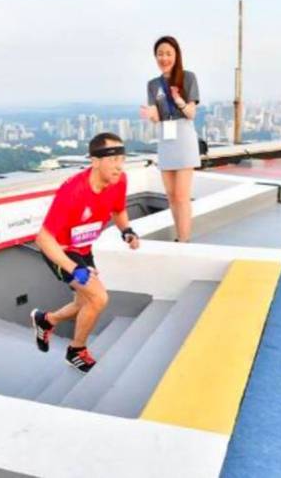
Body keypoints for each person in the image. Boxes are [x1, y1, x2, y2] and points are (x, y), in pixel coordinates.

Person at [31, 133, 140, 372]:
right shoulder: (72, 190)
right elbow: (43, 239)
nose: (119, 166)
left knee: (84, 304)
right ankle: (76, 350)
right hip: (60, 251)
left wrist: (126, 230)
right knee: (99, 298)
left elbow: (118, 210)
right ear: (95, 161)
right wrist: (75, 269)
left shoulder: (119, 180)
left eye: (122, 159)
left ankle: (46, 320)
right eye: (113, 159)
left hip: (83, 248)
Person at [139, 36, 200, 243]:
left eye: (168, 53)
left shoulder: (188, 78)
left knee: (182, 195)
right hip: (165, 136)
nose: (164, 58)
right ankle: (179, 236)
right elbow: (157, 117)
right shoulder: (153, 84)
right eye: (160, 54)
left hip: (183, 136)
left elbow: (191, 113)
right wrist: (150, 114)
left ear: (176, 55)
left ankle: (184, 239)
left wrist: (178, 100)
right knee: (171, 195)